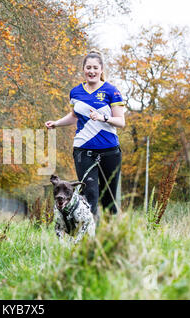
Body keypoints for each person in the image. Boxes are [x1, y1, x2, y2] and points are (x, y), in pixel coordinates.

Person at [45, 49, 126, 221]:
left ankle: (110, 237)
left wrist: (103, 117)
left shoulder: (112, 91)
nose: (92, 71)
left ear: (101, 69)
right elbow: (75, 116)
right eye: (88, 67)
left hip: (110, 151)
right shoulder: (75, 92)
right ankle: (89, 237)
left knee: (109, 199)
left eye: (95, 68)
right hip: (84, 150)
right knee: (89, 193)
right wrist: (56, 123)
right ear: (83, 69)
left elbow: (121, 122)